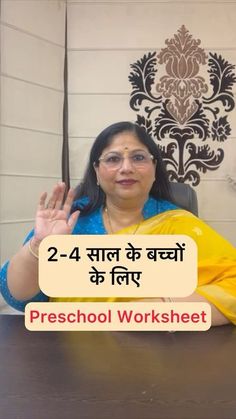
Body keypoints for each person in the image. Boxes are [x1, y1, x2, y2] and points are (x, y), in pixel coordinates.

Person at [0, 121, 236, 326]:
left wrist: (160, 310)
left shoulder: (180, 226)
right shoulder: (71, 221)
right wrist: (40, 247)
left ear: (154, 168)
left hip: (157, 354)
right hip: (69, 355)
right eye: (113, 159)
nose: (126, 168)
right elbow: (17, 298)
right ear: (97, 171)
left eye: (138, 157)